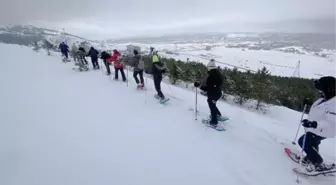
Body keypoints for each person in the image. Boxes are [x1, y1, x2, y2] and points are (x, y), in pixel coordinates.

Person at [298, 76, 336, 172]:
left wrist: (314, 124)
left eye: (322, 90)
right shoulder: (325, 98)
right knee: (311, 142)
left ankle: (318, 162)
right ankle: (311, 157)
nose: (320, 92)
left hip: (325, 129)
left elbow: (330, 122)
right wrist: (310, 103)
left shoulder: (334, 104)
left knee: (304, 141)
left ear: (329, 89)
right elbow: (321, 108)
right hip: (316, 128)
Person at [194, 59, 223, 127]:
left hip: (213, 94)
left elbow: (208, 88)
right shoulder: (217, 73)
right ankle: (218, 115)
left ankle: (214, 122)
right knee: (212, 103)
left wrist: (199, 86)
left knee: (212, 106)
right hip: (218, 93)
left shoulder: (211, 77)